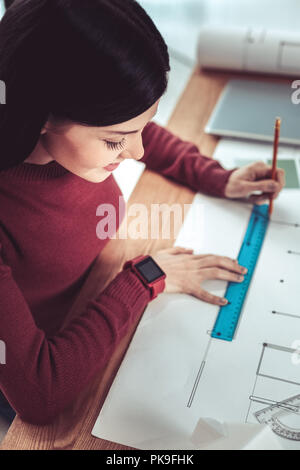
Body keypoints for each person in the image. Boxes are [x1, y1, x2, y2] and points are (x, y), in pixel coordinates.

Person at [0, 0, 284, 426]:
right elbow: (40, 395)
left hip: (86, 297)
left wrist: (216, 176)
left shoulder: (72, 132)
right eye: (117, 141)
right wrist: (145, 278)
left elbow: (134, 125)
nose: (138, 152)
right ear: (41, 116)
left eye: (138, 129)